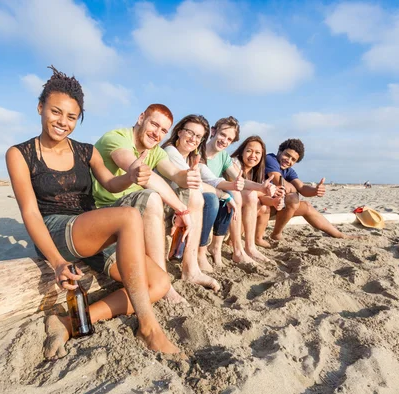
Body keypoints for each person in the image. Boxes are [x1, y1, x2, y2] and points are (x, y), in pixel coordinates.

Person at [5, 66, 179, 358]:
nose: (63, 122)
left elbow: (111, 184)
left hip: (89, 229)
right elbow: (30, 213)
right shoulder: (20, 154)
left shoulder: (86, 151)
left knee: (160, 282)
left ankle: (67, 322)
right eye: (55, 112)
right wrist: (59, 263)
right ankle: (149, 328)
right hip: (55, 230)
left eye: (71, 117)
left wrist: (133, 175)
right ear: (40, 108)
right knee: (128, 217)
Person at [92, 105, 220, 303]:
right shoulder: (117, 137)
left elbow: (175, 174)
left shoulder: (156, 151)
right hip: (107, 211)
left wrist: (187, 177)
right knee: (151, 196)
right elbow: (140, 172)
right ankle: (163, 283)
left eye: (163, 130)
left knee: (195, 194)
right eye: (154, 124)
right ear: (141, 117)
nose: (157, 133)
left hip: (136, 210)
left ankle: (191, 269)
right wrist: (180, 209)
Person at [161, 114, 241, 271]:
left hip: (181, 202)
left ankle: (211, 249)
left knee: (222, 200)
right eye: (190, 132)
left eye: (198, 136)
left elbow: (212, 181)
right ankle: (197, 253)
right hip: (168, 203)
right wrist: (224, 195)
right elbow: (195, 184)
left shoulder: (192, 159)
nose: (193, 139)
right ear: (179, 132)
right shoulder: (170, 151)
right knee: (211, 198)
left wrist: (231, 192)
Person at [256, 138, 356, 243]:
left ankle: (339, 234)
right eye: (287, 155)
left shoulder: (289, 171)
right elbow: (280, 182)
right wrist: (295, 189)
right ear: (279, 151)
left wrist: (315, 190)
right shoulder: (270, 159)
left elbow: (302, 188)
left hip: (274, 205)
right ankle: (276, 234)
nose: (289, 160)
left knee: (306, 206)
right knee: (292, 197)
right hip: (260, 205)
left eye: (293, 159)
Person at [204, 117, 275, 264]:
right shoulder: (199, 151)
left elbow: (240, 180)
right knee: (235, 194)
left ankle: (249, 247)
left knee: (250, 194)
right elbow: (213, 181)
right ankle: (237, 250)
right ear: (213, 131)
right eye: (223, 135)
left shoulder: (223, 155)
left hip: (217, 192)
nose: (225, 140)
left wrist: (262, 187)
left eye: (229, 139)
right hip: (204, 193)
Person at [231, 136, 285, 247]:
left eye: (257, 153)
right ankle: (232, 240)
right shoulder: (234, 164)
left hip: (244, 203)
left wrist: (274, 201)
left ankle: (258, 238)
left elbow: (261, 196)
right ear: (242, 152)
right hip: (230, 204)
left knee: (264, 207)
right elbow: (241, 189)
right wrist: (266, 191)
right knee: (253, 200)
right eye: (249, 151)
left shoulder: (257, 171)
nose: (253, 156)